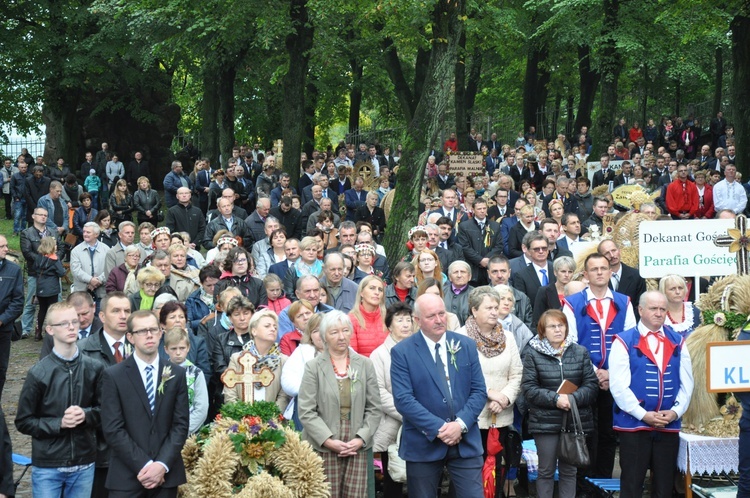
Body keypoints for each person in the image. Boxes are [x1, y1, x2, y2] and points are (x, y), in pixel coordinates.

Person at [390, 293, 486, 498]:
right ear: (417, 320)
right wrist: (440, 428)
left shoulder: (466, 345)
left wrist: (459, 425)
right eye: (431, 316)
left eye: (442, 313)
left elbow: (478, 390)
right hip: (424, 443)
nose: (439, 319)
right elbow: (403, 400)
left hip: (465, 440)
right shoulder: (402, 352)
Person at [609, 291, 694, 498]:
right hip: (634, 424)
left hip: (668, 425)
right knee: (631, 484)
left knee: (664, 487)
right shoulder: (623, 340)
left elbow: (687, 383)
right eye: (653, 308)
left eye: (662, 309)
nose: (658, 313)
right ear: (640, 310)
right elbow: (619, 386)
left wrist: (675, 412)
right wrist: (642, 414)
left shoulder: (678, 341)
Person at [15, 301, 104, 498]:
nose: (72, 327)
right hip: (49, 464)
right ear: (49, 330)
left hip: (84, 461)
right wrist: (59, 423)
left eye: (74, 321)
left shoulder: (94, 368)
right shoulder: (39, 373)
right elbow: (23, 421)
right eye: (63, 323)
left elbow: (107, 410)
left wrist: (86, 415)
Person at [562, 253, 637, 481]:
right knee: (585, 431)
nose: (600, 272)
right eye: (594, 269)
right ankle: (584, 484)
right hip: (584, 378)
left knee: (608, 431)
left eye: (604, 268)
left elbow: (631, 340)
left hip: (615, 377)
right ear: (586, 275)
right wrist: (596, 373)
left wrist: (611, 373)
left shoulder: (624, 301)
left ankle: (603, 482)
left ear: (610, 271)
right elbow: (570, 341)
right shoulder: (572, 303)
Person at [100, 309, 189, 497]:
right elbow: (113, 428)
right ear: (130, 337)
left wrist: (161, 465)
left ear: (160, 333)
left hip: (166, 474)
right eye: (142, 331)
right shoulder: (113, 376)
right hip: (127, 474)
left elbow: (180, 425)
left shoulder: (177, 374)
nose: (149, 335)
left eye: (153, 329)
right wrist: (146, 465)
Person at [298, 310, 381, 498]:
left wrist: (361, 439)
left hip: (356, 442)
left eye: (345, 330)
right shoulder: (314, 367)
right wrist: (328, 440)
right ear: (324, 336)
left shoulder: (365, 364)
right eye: (334, 332)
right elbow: (306, 411)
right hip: (323, 443)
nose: (341, 336)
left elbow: (374, 408)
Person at [521, 309, 598, 498]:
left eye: (561, 325)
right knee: (546, 471)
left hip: (572, 419)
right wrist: (556, 400)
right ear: (543, 330)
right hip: (545, 422)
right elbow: (529, 388)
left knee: (570, 472)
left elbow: (591, 385)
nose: (557, 330)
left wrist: (572, 399)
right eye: (552, 326)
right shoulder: (533, 354)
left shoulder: (579, 352)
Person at [456, 287, 523, 498]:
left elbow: (517, 374)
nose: (495, 311)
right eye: (488, 307)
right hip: (471, 417)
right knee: (471, 469)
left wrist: (504, 398)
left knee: (495, 466)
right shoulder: (460, 337)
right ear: (474, 311)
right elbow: (459, 376)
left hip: (499, 415)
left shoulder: (508, 337)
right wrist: (489, 393)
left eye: (496, 307)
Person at [370, 302, 413, 496]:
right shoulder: (378, 355)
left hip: (420, 424)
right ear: (389, 326)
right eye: (400, 320)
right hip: (391, 423)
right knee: (393, 478)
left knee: (420, 478)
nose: (405, 324)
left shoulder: (420, 350)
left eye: (408, 320)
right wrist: (408, 413)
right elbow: (378, 391)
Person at [222, 309, 290, 412]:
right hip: (240, 422)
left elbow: (283, 396)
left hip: (271, 422)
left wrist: (270, 418)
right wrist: (241, 417)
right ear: (254, 331)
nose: (273, 329)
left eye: (275, 327)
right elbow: (230, 393)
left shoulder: (284, 361)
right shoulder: (237, 359)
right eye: (267, 326)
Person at [281, 313, 325, 426]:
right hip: (307, 407)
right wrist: (310, 391)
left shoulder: (347, 352)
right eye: (315, 331)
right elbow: (287, 380)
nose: (320, 335)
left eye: (324, 329)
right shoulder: (302, 352)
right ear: (310, 335)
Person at [457, 197, 504, 286]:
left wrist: (487, 260)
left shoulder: (495, 225)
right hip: (473, 268)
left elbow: (499, 245)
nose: (482, 211)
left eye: (484, 208)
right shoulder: (464, 226)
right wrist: (480, 260)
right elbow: (465, 247)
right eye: (479, 209)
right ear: (473, 210)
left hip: (489, 267)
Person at [598, 239, 647, 320]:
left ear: (619, 250)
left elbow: (640, 305)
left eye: (614, 250)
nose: (612, 255)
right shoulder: (598, 277)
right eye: (607, 253)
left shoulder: (637, 275)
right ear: (600, 256)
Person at [33, 236, 67, 341]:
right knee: (52, 310)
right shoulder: (54, 259)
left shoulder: (39, 257)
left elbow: (34, 268)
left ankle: (38, 331)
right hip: (52, 288)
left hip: (40, 288)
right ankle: (51, 331)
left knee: (42, 310)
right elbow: (62, 273)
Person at [70, 222, 109, 308]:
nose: (85, 234)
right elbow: (75, 270)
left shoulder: (106, 249)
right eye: (84, 232)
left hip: (101, 293)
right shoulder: (76, 251)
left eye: (88, 232)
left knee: (100, 319)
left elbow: (109, 269)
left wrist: (98, 280)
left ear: (96, 234)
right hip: (81, 293)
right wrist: (90, 280)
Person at [533, 255, 576, 329]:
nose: (566, 275)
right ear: (555, 272)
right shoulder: (544, 291)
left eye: (570, 272)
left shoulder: (578, 291)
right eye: (563, 271)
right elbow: (538, 319)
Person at [349, 275, 388, 357]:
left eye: (380, 290)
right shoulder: (351, 319)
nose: (377, 292)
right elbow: (352, 356)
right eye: (372, 288)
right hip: (362, 368)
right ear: (361, 293)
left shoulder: (388, 318)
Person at [659, 274, 701, 340]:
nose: (677, 292)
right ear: (663, 291)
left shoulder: (695, 312)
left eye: (680, 288)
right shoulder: (658, 314)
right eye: (672, 289)